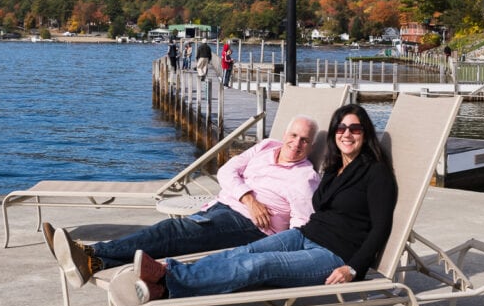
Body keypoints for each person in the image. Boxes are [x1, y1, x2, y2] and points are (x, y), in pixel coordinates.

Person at [131, 103, 396, 303]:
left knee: (260, 265)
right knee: (242, 253)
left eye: (355, 128)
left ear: (365, 133)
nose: (347, 134)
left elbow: (381, 228)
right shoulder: (335, 168)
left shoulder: (376, 173)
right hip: (304, 235)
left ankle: (167, 280)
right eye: (341, 128)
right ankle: (165, 282)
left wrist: (353, 268)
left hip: (334, 254)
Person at [49, 115, 322, 288]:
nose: (296, 143)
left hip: (252, 228)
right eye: (293, 136)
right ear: (285, 135)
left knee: (173, 232)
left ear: (310, 146)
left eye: (305, 140)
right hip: (226, 208)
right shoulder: (266, 146)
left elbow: (301, 225)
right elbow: (226, 171)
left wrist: (284, 257)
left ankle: (92, 253)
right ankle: (93, 263)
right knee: (173, 236)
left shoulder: (304, 178)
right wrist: (248, 198)